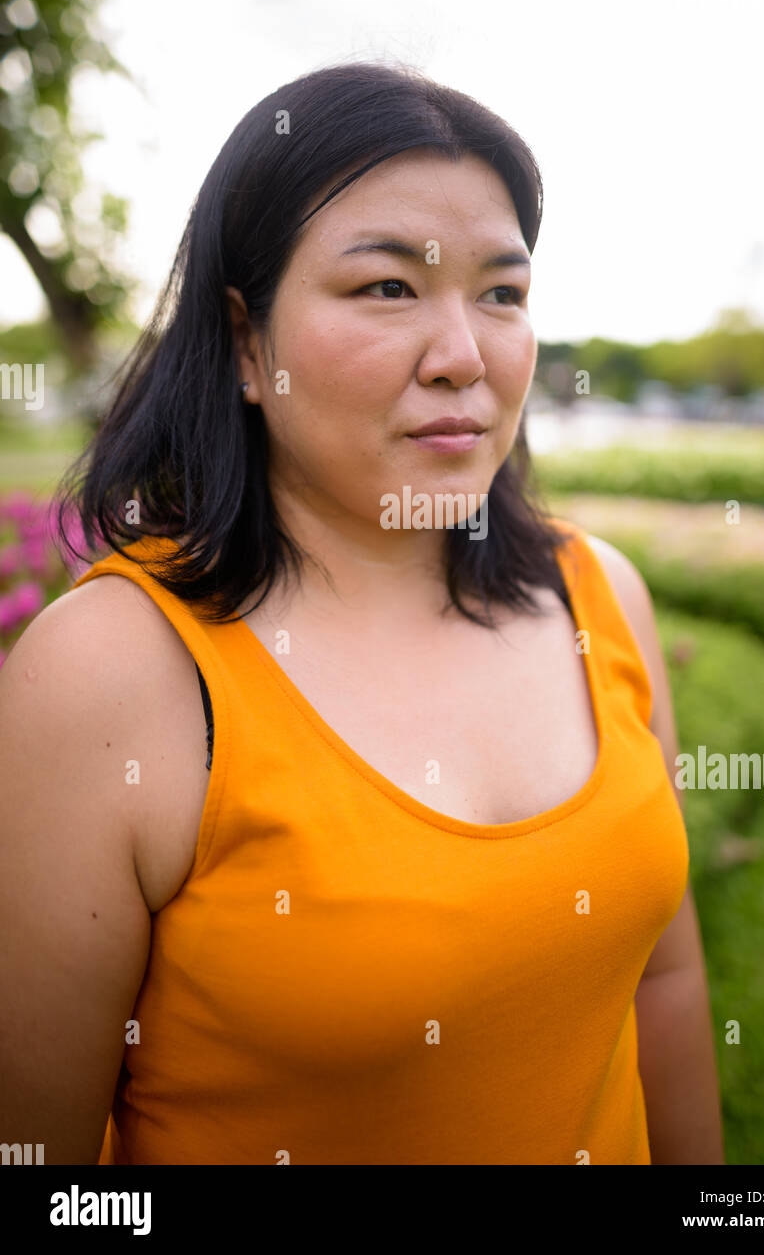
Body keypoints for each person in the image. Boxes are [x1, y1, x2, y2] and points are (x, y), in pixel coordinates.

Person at [0, 61, 724, 1165]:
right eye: (388, 288)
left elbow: (664, 985)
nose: (464, 357)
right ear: (247, 345)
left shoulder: (598, 594)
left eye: (503, 292)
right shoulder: (110, 675)